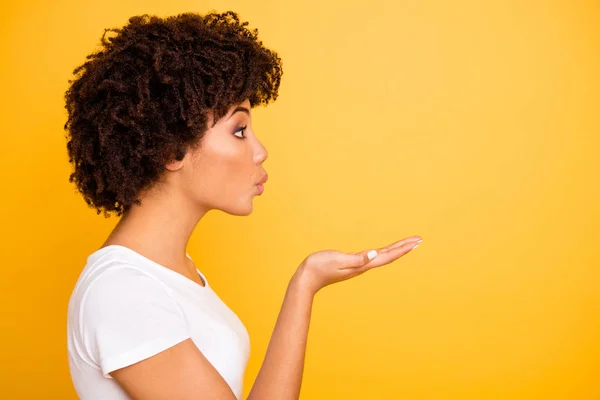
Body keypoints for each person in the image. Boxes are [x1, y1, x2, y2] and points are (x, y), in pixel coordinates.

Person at [64, 10, 423, 400]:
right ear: (172, 149)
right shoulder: (124, 291)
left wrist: (305, 284)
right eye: (239, 131)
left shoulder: (173, 275)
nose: (261, 151)